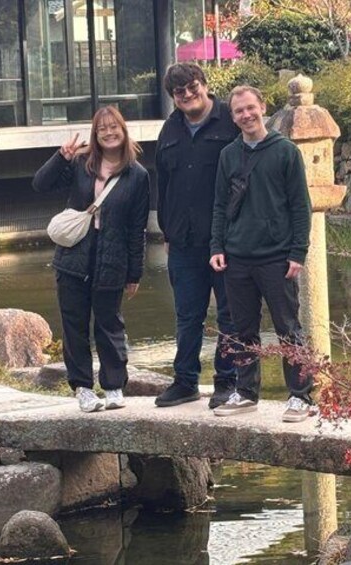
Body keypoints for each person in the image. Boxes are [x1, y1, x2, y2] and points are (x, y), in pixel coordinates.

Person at [33, 106, 150, 413]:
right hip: (73, 259)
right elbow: (40, 184)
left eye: (114, 127)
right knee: (74, 325)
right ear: (95, 135)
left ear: (123, 130)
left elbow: (137, 228)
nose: (109, 133)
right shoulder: (81, 164)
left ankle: (113, 386)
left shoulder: (137, 175)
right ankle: (83, 388)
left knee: (110, 325)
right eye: (102, 129)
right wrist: (61, 157)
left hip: (112, 261)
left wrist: (134, 273)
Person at [209, 85, 315, 423]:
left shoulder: (285, 152)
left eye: (250, 108)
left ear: (263, 107)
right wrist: (216, 246)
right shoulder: (228, 155)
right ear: (233, 117)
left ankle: (300, 395)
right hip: (237, 256)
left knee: (289, 328)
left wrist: (298, 252)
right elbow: (220, 205)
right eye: (239, 111)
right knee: (243, 329)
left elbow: (300, 206)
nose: (246, 115)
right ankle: (246, 392)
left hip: (276, 257)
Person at [154, 62, 240, 409]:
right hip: (184, 241)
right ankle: (185, 381)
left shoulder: (230, 121)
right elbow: (163, 183)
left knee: (230, 316)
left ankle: (227, 382)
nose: (188, 95)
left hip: (226, 240)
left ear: (204, 85)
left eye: (193, 87)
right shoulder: (170, 129)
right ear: (173, 97)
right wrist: (167, 229)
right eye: (180, 92)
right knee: (187, 316)